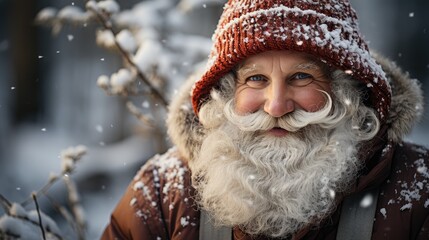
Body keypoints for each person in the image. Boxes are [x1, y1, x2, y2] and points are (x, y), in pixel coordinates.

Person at [101, 0, 429, 239]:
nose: (276, 106)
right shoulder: (164, 192)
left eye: (301, 76)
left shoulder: (417, 188)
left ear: (347, 91)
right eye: (256, 79)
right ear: (227, 93)